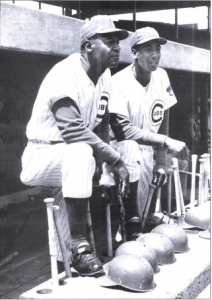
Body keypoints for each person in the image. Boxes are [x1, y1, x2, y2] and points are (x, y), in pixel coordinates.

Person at [20, 15, 130, 277]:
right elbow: (72, 129)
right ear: (88, 45)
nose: (116, 47)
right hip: (41, 153)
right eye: (108, 41)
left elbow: (101, 124)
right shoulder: (64, 72)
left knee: (87, 153)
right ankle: (80, 247)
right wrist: (114, 159)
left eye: (118, 42)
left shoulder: (104, 77)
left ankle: (71, 255)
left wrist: (105, 169)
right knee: (81, 152)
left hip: (67, 157)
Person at [109, 27, 186, 239]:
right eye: (148, 49)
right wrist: (165, 141)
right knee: (130, 223)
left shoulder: (162, 76)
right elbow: (123, 130)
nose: (155, 55)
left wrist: (161, 161)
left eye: (158, 49)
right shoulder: (118, 82)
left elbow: (162, 120)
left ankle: (138, 224)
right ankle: (131, 224)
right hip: (121, 152)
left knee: (169, 167)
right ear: (134, 53)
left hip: (150, 150)